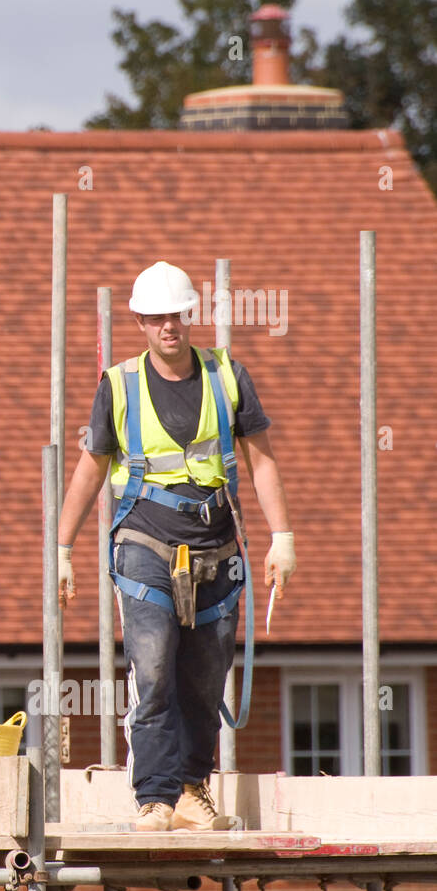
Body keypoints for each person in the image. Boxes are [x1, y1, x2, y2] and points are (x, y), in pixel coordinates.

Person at [56, 261, 295, 831]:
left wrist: (282, 536)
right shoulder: (118, 384)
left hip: (217, 542)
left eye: (178, 315)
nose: (169, 326)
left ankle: (191, 786)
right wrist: (61, 548)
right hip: (145, 541)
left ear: (190, 316)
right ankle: (155, 795)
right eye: (158, 317)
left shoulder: (227, 376)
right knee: (155, 666)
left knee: (206, 676)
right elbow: (91, 469)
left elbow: (261, 462)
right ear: (139, 320)